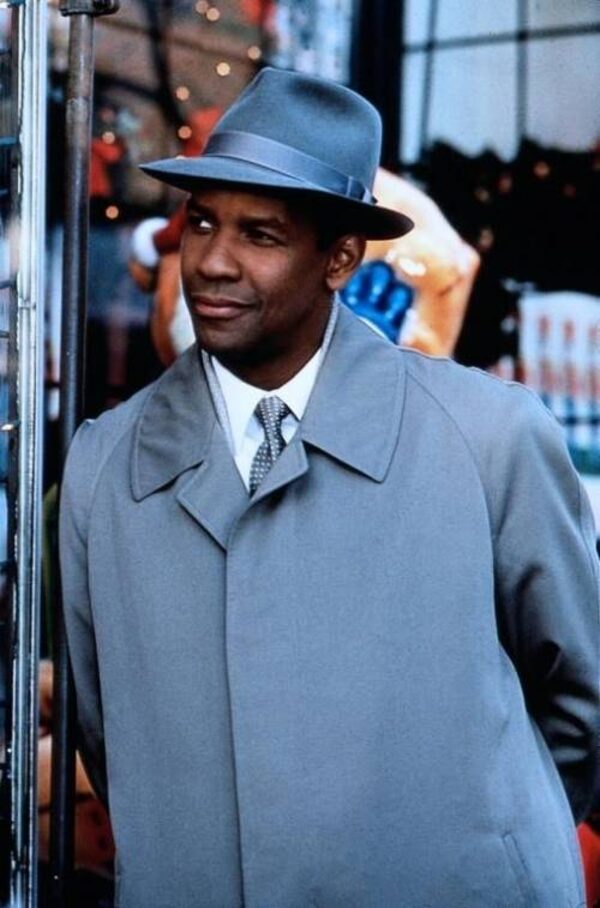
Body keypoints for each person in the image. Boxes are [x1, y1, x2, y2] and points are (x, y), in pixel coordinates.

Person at [59, 67, 599, 908]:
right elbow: (108, 737)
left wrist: (477, 844)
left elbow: (581, 706)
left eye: (261, 235)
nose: (214, 262)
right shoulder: (103, 467)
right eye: (202, 222)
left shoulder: (490, 439)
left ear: (341, 258)